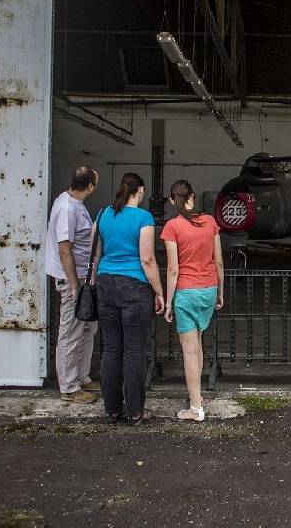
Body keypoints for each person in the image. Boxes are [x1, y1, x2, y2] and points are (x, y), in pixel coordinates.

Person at [94, 173, 165, 425]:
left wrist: (95, 284)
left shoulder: (103, 214)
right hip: (134, 287)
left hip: (105, 284)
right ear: (141, 191)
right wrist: (158, 291)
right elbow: (147, 258)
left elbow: (97, 254)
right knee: (134, 351)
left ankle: (112, 410)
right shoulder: (144, 218)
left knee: (111, 348)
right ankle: (134, 411)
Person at [161, 179, 224, 422]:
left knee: (189, 350)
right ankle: (195, 397)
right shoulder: (210, 222)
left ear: (171, 199)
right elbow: (218, 261)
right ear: (193, 197)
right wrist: (220, 291)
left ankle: (196, 407)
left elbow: (173, 269)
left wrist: (168, 302)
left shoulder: (172, 227)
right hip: (208, 288)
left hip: (186, 291)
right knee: (197, 342)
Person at [45, 166, 100, 404]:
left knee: (87, 328)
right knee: (71, 332)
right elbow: (64, 249)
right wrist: (73, 284)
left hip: (84, 278)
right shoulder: (67, 208)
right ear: (89, 186)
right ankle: (69, 386)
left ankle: (82, 376)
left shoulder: (73, 203)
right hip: (73, 279)